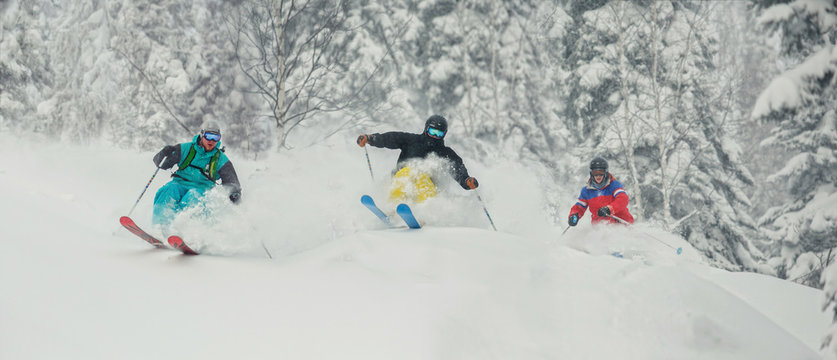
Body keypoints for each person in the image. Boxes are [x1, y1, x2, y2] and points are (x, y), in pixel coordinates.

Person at [357, 115, 479, 203]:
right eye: (432, 131)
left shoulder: (445, 152)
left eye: (439, 134)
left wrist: (466, 180)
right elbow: (390, 138)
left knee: (421, 177)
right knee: (407, 173)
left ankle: (423, 213)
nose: (435, 136)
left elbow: (457, 167)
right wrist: (370, 139)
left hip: (428, 189)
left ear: (444, 134)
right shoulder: (411, 140)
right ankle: (393, 206)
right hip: (401, 181)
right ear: (426, 129)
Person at [151, 119, 242, 228]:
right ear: (202, 134)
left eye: (216, 138)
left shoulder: (220, 159)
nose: (212, 141)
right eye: (209, 136)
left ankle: (186, 231)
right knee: (168, 191)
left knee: (193, 197)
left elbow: (233, 183)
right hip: (179, 183)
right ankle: (160, 226)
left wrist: (234, 195)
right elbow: (160, 164)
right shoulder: (185, 149)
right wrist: (163, 153)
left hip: (202, 189)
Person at [567, 157, 634, 227]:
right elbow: (579, 207)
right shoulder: (587, 191)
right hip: (600, 228)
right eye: (595, 173)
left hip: (620, 223)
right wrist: (574, 215)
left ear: (605, 173)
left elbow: (623, 199)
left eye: (601, 173)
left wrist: (609, 209)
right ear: (591, 174)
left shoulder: (614, 185)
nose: (598, 176)